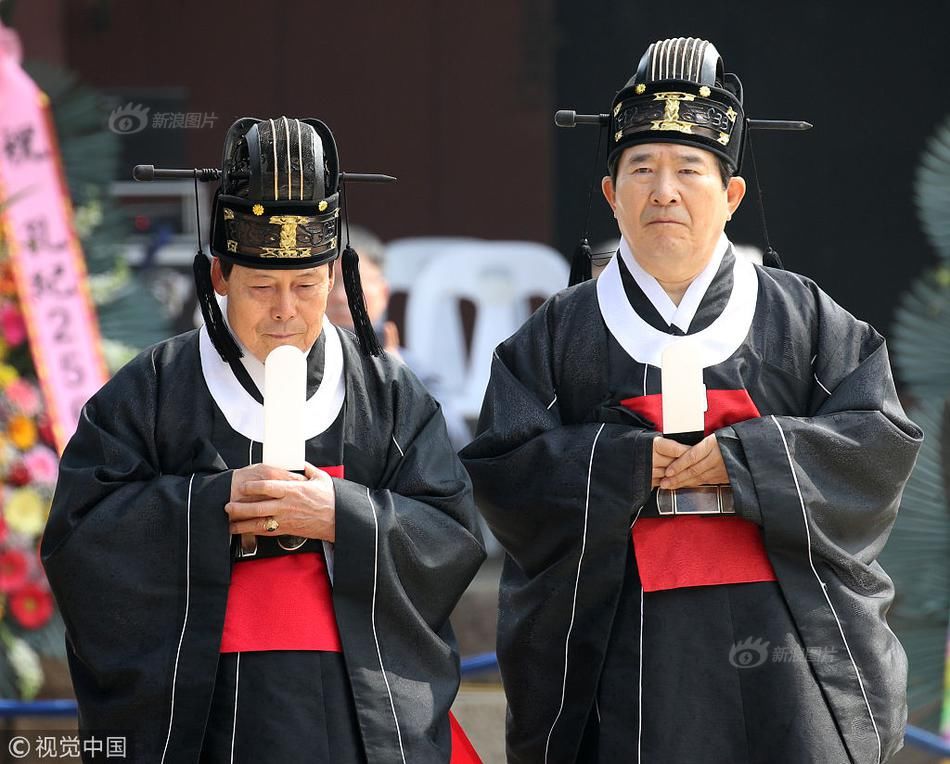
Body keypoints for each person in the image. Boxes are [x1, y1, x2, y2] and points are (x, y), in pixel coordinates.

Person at [460, 37, 922, 763]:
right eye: (640, 169)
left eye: (688, 170)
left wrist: (745, 460)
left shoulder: (803, 319)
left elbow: (876, 442)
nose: (663, 190)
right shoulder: (560, 333)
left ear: (731, 194)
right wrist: (623, 466)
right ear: (612, 194)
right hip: (622, 640)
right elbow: (506, 470)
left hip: (780, 648)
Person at [42, 116, 485, 763]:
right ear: (220, 276)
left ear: (335, 274)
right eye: (261, 286)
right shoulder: (154, 388)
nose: (284, 310)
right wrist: (209, 505)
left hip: (351, 698)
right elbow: (81, 536)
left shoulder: (387, 393)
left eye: (306, 285)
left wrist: (343, 514)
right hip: (206, 701)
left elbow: (451, 532)